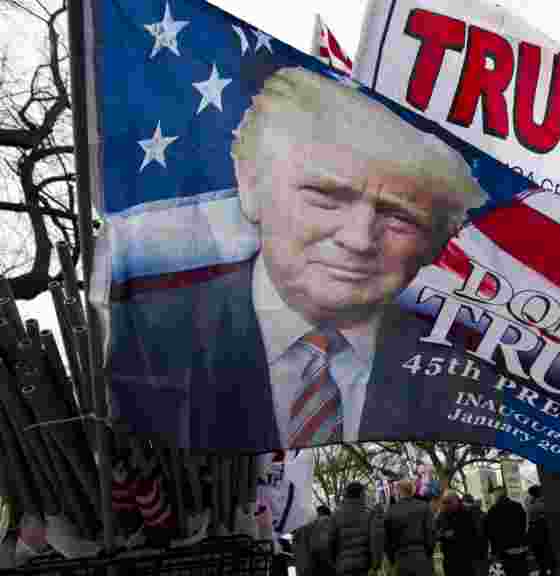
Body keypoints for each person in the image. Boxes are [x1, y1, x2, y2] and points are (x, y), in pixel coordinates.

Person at [108, 66, 488, 450]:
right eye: (325, 196)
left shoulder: (473, 374)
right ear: (251, 184)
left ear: (438, 243)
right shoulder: (142, 339)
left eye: (400, 217)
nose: (358, 239)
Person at [329, 482, 384, 576]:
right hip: (362, 567)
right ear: (362, 494)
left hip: (341, 567)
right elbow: (375, 541)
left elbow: (330, 543)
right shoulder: (369, 514)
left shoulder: (335, 516)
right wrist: (376, 565)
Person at [383, 479, 436, 576]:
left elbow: (387, 539)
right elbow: (431, 532)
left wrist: (392, 559)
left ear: (398, 492)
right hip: (421, 555)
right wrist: (428, 553)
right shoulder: (424, 507)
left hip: (401, 557)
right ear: (413, 490)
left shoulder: (390, 511)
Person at [483, 487, 528, 576]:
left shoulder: (492, 511)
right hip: (520, 547)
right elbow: (524, 525)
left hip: (504, 550)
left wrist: (493, 551)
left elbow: (489, 533)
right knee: (522, 571)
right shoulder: (518, 506)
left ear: (496, 496)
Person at [435, 491, 480, 576]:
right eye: (444, 502)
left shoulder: (467, 512)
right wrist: (443, 535)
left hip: (466, 557)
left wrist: (456, 534)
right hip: (449, 558)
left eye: (448, 502)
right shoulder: (442, 514)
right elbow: (435, 532)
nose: (445, 505)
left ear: (456, 500)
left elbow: (474, 532)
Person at [525, 485, 555, 576]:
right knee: (545, 551)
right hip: (541, 529)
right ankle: (548, 569)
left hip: (536, 530)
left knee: (540, 552)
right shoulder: (539, 502)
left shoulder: (532, 503)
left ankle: (545, 569)